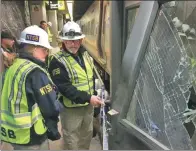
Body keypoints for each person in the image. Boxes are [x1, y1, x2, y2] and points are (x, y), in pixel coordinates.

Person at [0, 25, 61, 150]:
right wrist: (61, 107)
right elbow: (50, 107)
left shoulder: (12, 66)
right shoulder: (35, 72)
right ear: (34, 49)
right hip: (32, 135)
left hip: (14, 133)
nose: (47, 53)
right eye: (44, 49)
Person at [48, 21, 104, 150]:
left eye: (77, 40)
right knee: (71, 141)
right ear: (64, 41)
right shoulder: (57, 61)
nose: (74, 44)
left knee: (86, 137)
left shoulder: (85, 55)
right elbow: (65, 88)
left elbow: (90, 80)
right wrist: (89, 98)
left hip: (88, 107)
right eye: (70, 41)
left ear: (81, 40)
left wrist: (95, 96)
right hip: (71, 110)